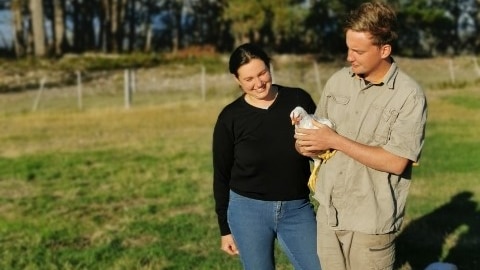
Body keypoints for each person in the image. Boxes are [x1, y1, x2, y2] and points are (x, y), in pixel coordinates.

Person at [294, 2, 427, 270]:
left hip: (371, 222)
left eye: (358, 51)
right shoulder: (337, 82)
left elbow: (397, 161)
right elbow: (318, 140)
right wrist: (306, 143)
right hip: (329, 214)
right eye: (348, 48)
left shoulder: (408, 96)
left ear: (384, 50)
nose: (349, 57)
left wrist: (334, 140)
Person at [212, 43, 321, 270]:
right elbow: (221, 175)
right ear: (237, 80)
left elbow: (319, 147)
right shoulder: (230, 118)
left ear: (270, 67)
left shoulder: (298, 98)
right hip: (247, 212)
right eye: (249, 78)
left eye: (262, 73)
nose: (259, 83)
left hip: (297, 208)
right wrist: (225, 229)